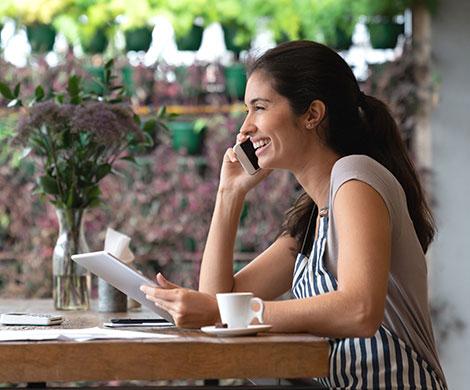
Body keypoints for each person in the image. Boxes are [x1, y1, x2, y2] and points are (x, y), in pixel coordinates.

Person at [140, 40, 447, 389]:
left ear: (312, 115)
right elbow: (218, 299)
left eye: (259, 108)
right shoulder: (313, 219)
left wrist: (223, 313)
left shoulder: (356, 177)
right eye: (246, 111)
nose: (244, 129)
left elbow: (360, 310)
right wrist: (229, 194)